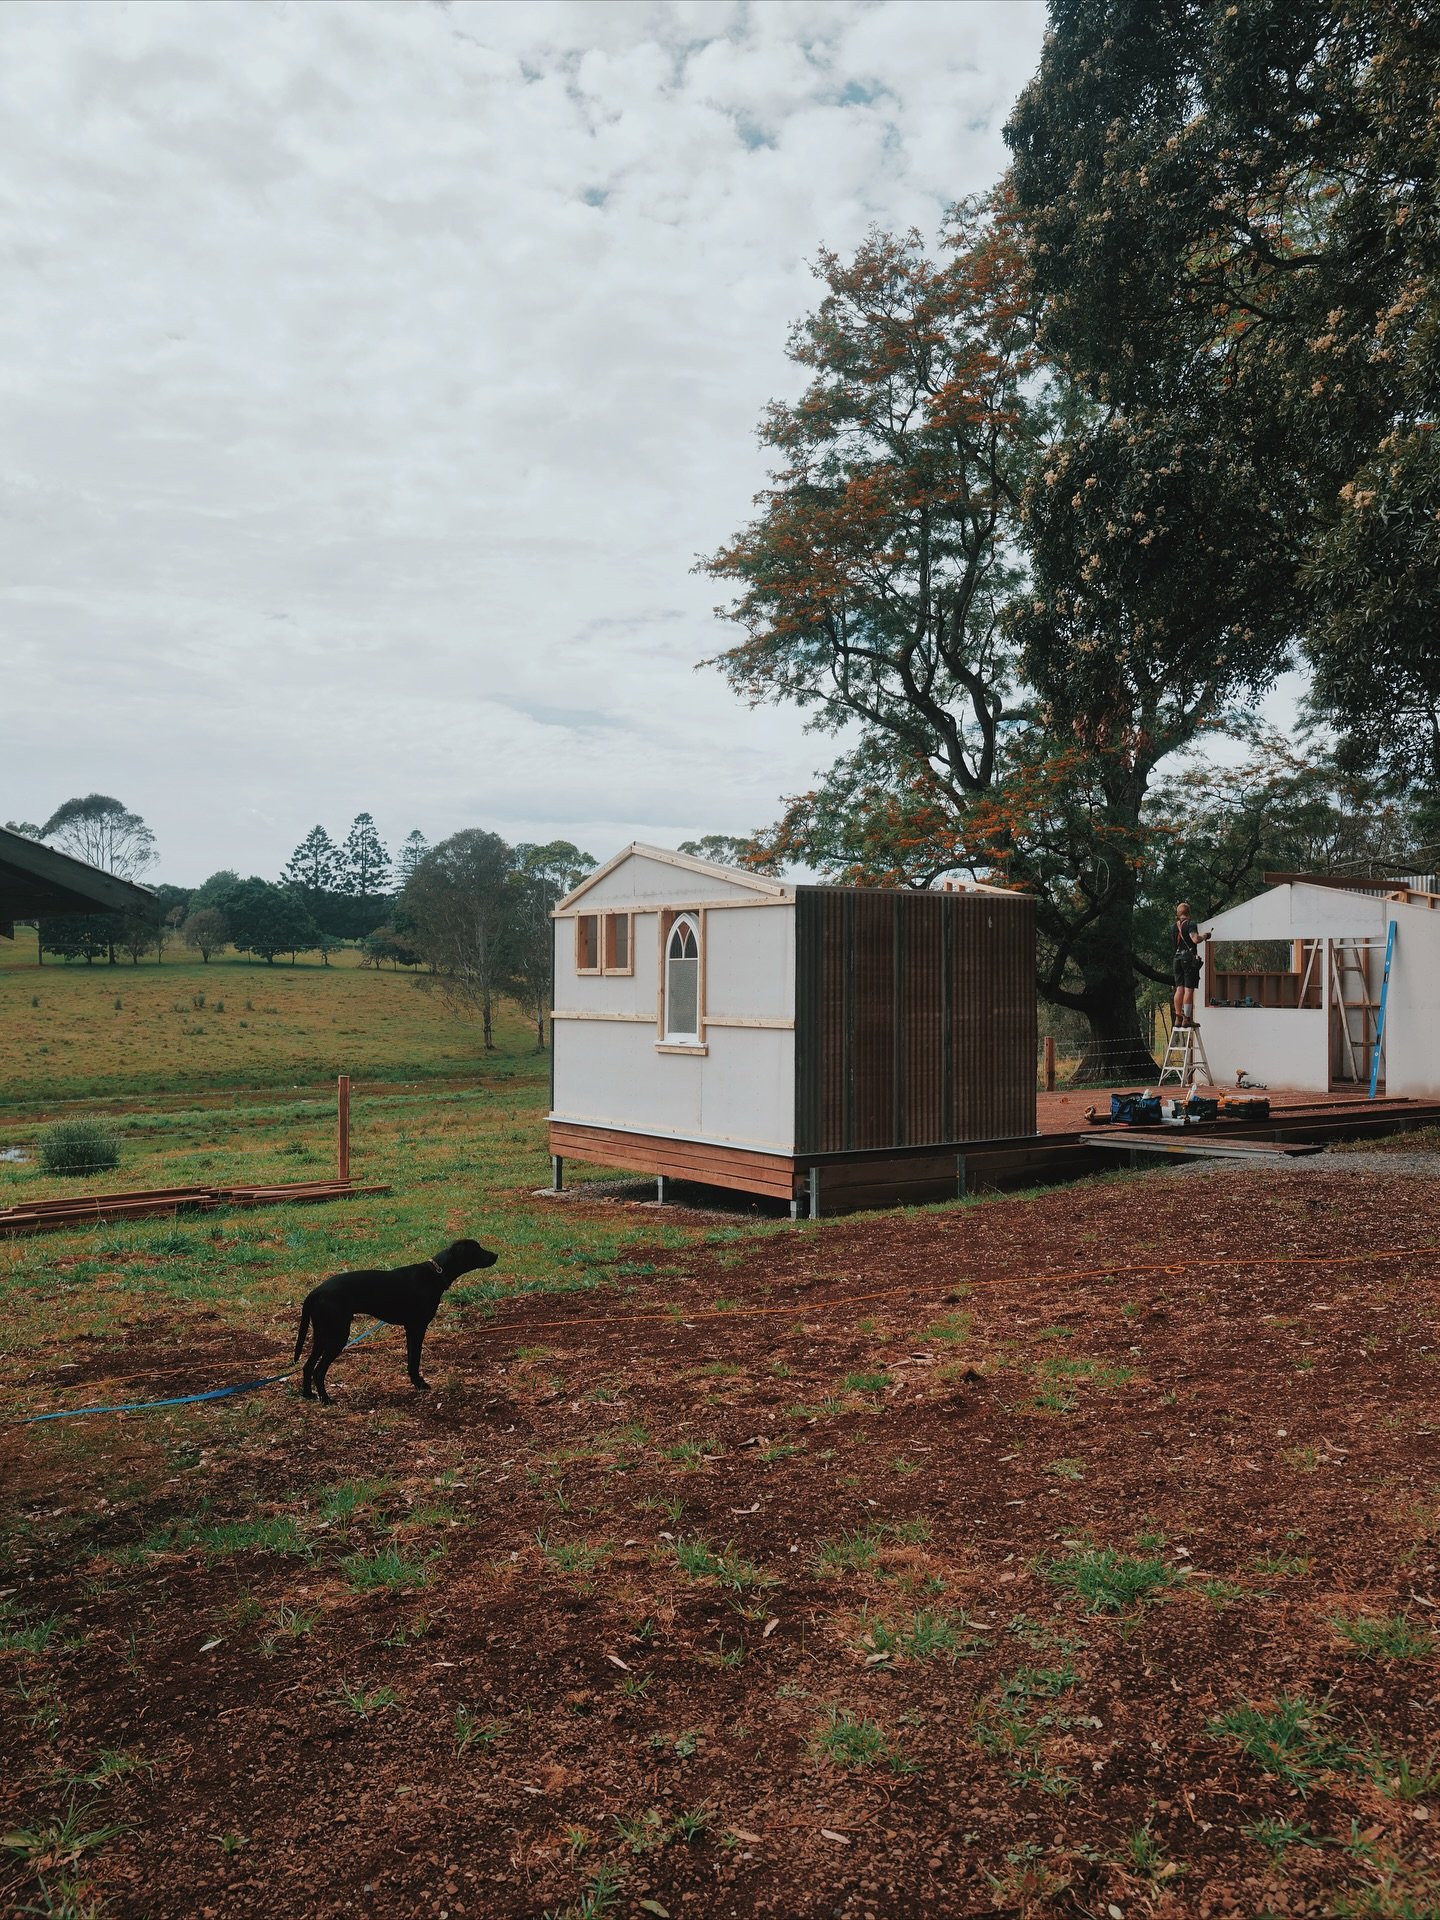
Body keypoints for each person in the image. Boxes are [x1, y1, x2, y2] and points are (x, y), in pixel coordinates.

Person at [1172, 901, 1202, 1027]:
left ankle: (1178, 1017)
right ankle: (1187, 1019)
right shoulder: (1190, 924)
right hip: (1188, 959)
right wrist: (1204, 936)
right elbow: (1195, 939)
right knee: (1189, 989)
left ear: (1178, 914)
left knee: (1179, 988)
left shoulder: (1174, 927)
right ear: (1189, 913)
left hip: (1176, 959)